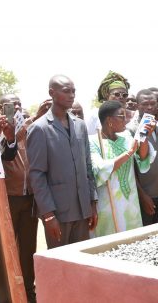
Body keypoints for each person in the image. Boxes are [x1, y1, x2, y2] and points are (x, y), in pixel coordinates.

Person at [27, 75, 98, 248]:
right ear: (52, 93)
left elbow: (87, 166)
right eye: (66, 91)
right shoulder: (40, 128)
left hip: (82, 210)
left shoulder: (79, 125)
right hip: (58, 213)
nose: (72, 95)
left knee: (82, 264)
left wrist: (92, 203)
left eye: (73, 91)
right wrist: (48, 215)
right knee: (60, 268)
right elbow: (37, 175)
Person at [90, 100, 155, 236]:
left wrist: (144, 138)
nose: (125, 121)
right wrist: (128, 153)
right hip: (107, 204)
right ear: (109, 120)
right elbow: (99, 170)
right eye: (121, 117)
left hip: (130, 203)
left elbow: (142, 161)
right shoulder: (93, 142)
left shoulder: (126, 137)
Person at [0, 93, 37, 303]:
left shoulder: (29, 134)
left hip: (29, 200)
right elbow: (5, 153)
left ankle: (29, 293)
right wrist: (6, 134)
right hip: (8, 200)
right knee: (7, 249)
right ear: (0, 109)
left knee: (29, 249)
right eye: (10, 106)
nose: (16, 108)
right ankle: (9, 293)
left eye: (19, 104)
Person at [128, 89, 158, 225]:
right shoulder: (130, 130)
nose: (149, 107)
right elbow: (131, 169)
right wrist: (143, 195)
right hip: (146, 198)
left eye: (152, 103)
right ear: (137, 105)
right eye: (145, 104)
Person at [86, 71, 131, 135]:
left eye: (124, 95)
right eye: (117, 94)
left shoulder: (132, 116)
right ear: (107, 96)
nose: (121, 97)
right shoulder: (94, 115)